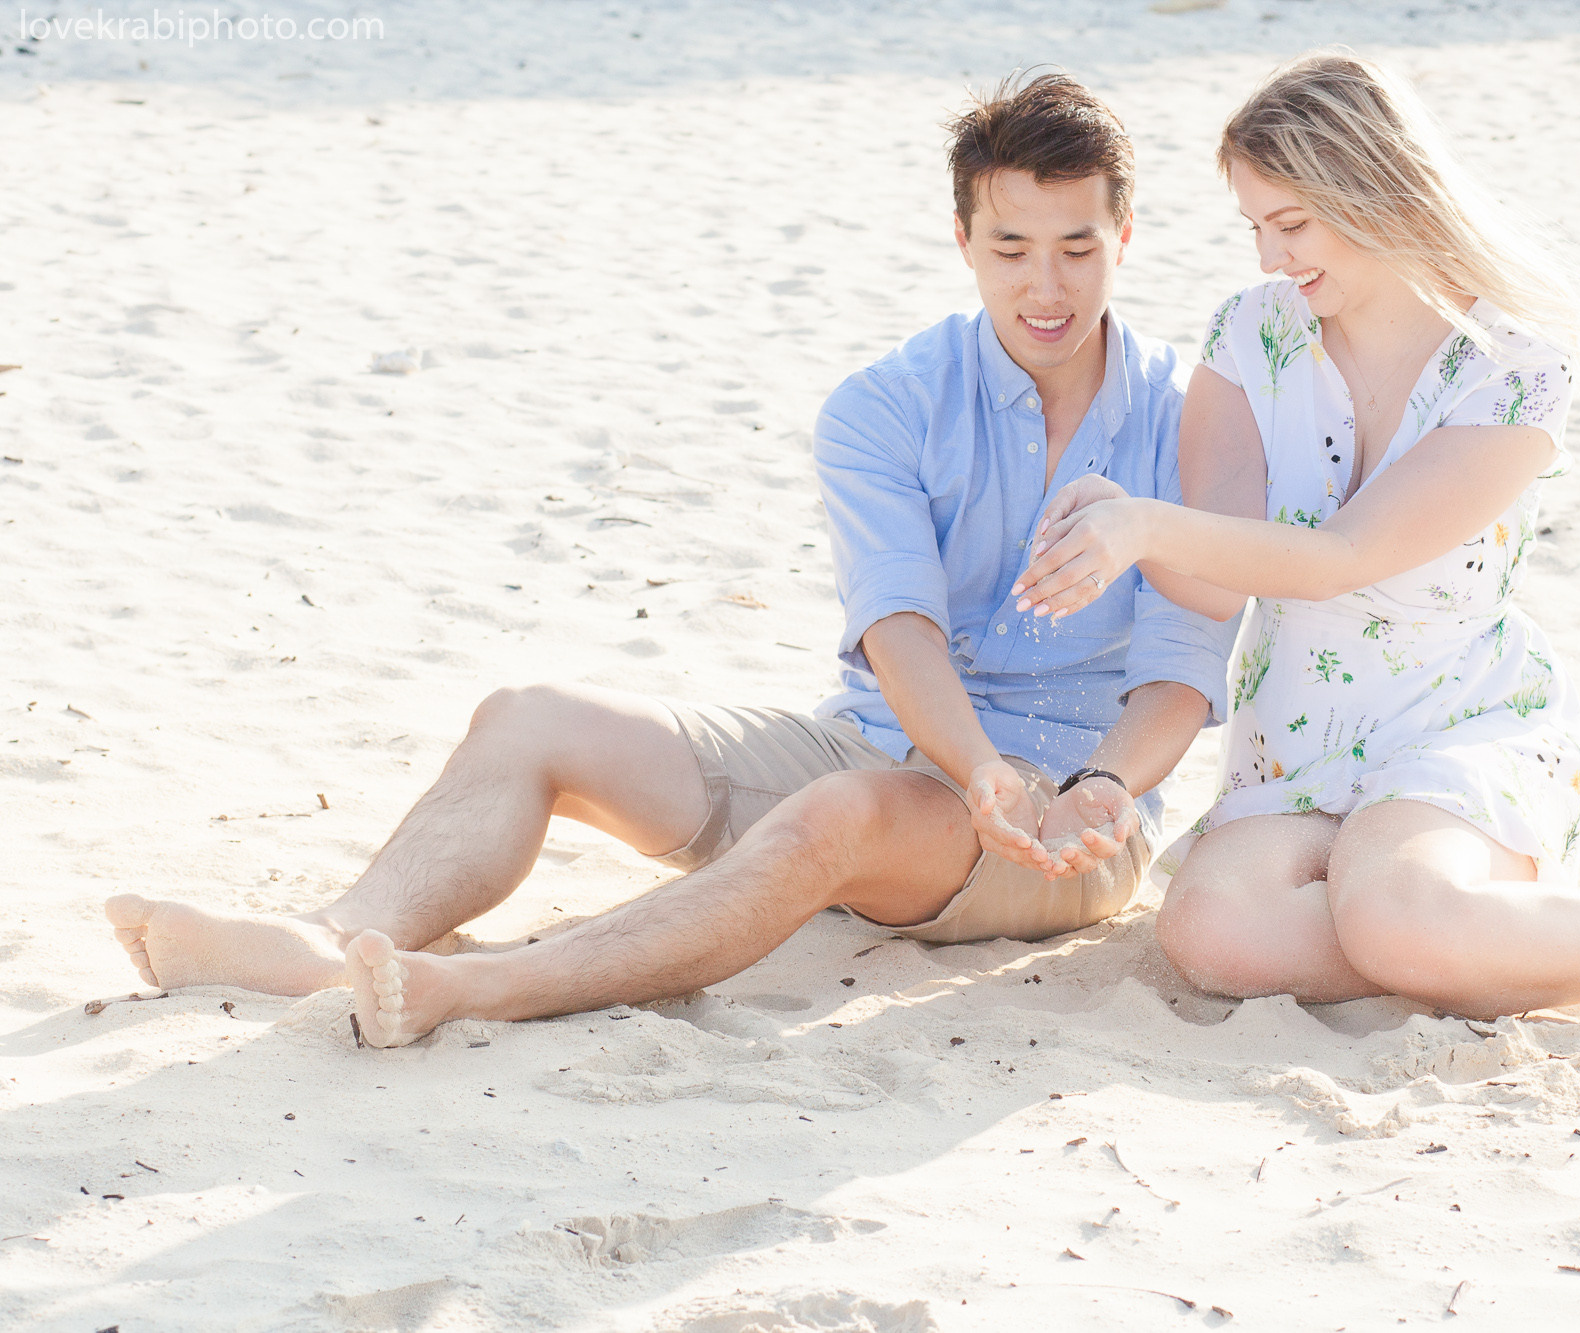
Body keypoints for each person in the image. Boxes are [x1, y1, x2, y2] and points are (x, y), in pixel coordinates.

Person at [104, 73, 1236, 1048]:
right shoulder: (883, 406)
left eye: (1078, 248)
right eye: (1012, 248)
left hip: (1075, 813)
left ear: (1123, 239)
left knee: (839, 815)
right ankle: (339, 936)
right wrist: (973, 767)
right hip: (893, 745)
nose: (1047, 287)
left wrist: (1077, 788)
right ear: (963, 243)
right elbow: (900, 631)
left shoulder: (1190, 418)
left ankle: (479, 988)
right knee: (531, 713)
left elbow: (1183, 666)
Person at [1011, 51, 1580, 1062]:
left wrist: (1145, 524)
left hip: (1454, 718)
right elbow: (1213, 580)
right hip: (1296, 737)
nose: (1266, 258)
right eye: (1251, 226)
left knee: (1393, 908)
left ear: (1369, 188)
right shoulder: (1248, 335)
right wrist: (1108, 528)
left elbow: (1342, 555)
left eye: (1288, 223)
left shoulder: (1512, 369)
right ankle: (1449, 929)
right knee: (1209, 932)